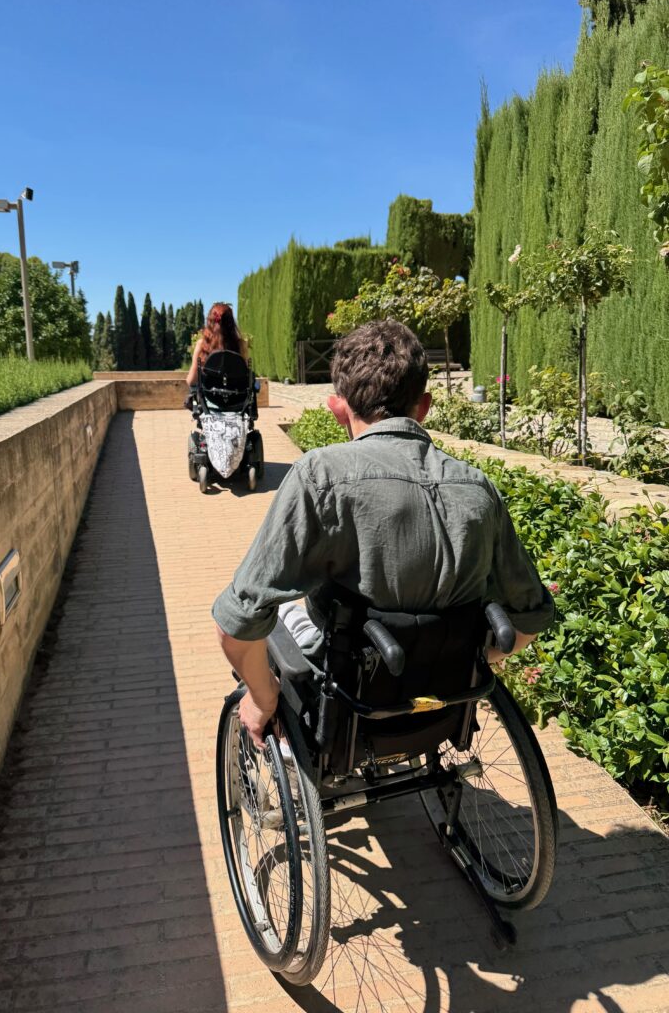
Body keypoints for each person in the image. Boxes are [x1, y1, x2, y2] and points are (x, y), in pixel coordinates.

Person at [212, 319, 555, 749]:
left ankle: (284, 751)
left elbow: (236, 624)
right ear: (424, 406)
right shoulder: (476, 486)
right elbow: (531, 615)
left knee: (278, 614)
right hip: (447, 696)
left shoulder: (321, 476)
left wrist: (261, 700)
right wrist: (463, 655)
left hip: (352, 697)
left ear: (338, 408)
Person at [185, 302, 248, 389]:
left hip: (210, 399)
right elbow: (244, 376)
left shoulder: (201, 344)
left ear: (209, 321)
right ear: (231, 323)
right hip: (235, 399)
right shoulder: (240, 344)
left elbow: (191, 381)